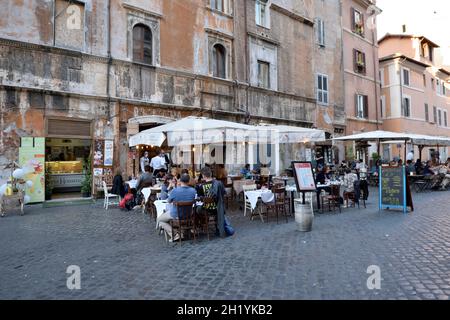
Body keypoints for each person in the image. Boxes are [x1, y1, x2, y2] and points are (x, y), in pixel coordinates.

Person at [157, 174, 197, 241]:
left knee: (160, 220)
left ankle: (175, 234)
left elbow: (169, 201)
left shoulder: (175, 191)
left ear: (180, 181)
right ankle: (180, 232)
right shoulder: (193, 190)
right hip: (188, 214)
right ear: (188, 181)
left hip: (176, 214)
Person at [196, 167, 226, 237]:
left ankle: (203, 225)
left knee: (197, 209)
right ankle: (215, 226)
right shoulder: (219, 184)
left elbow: (200, 199)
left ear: (203, 176)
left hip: (208, 209)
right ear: (211, 174)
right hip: (218, 208)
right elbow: (223, 193)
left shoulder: (201, 186)